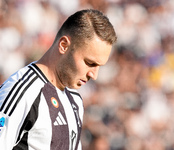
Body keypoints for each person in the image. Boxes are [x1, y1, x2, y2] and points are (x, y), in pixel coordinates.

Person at [0, 9, 117, 150]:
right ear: (64, 45)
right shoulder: (22, 91)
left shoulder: (75, 99)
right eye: (90, 63)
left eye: (99, 66)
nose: (94, 75)